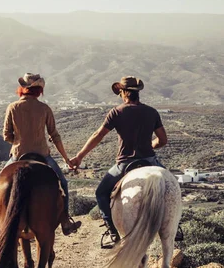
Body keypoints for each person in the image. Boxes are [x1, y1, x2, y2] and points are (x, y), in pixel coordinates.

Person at [69, 76, 170, 248]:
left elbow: (98, 136)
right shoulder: (152, 112)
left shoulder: (117, 112)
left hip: (125, 164)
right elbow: (162, 140)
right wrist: (150, 145)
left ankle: (112, 232)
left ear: (123, 93)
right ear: (138, 93)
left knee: (101, 193)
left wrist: (79, 156)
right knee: (170, 188)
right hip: (149, 161)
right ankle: (174, 226)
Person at [2, 73, 81, 235]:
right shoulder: (45, 109)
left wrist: (19, 141)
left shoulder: (12, 107)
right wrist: (67, 159)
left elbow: (6, 136)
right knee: (63, 184)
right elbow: (54, 136)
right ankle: (65, 221)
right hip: (42, 156)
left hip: (18, 155)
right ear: (39, 91)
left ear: (23, 89)